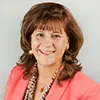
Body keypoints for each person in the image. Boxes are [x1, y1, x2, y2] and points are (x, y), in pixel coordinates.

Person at [4, 2, 100, 100]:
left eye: (56, 36)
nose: (47, 44)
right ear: (30, 40)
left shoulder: (89, 91)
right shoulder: (16, 74)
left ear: (68, 42)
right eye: (40, 35)